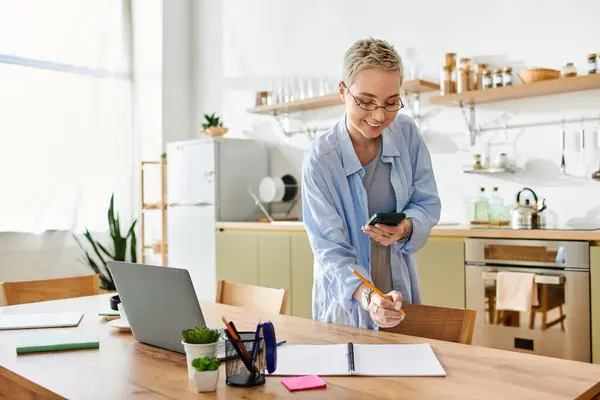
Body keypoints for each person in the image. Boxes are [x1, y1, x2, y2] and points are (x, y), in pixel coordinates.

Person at [301, 38, 441, 330]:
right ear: (343, 91)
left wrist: (406, 227)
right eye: (365, 102)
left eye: (391, 103)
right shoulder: (320, 158)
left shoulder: (407, 135)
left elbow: (426, 203)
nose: (379, 116)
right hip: (346, 295)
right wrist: (367, 296)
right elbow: (329, 248)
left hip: (397, 290)